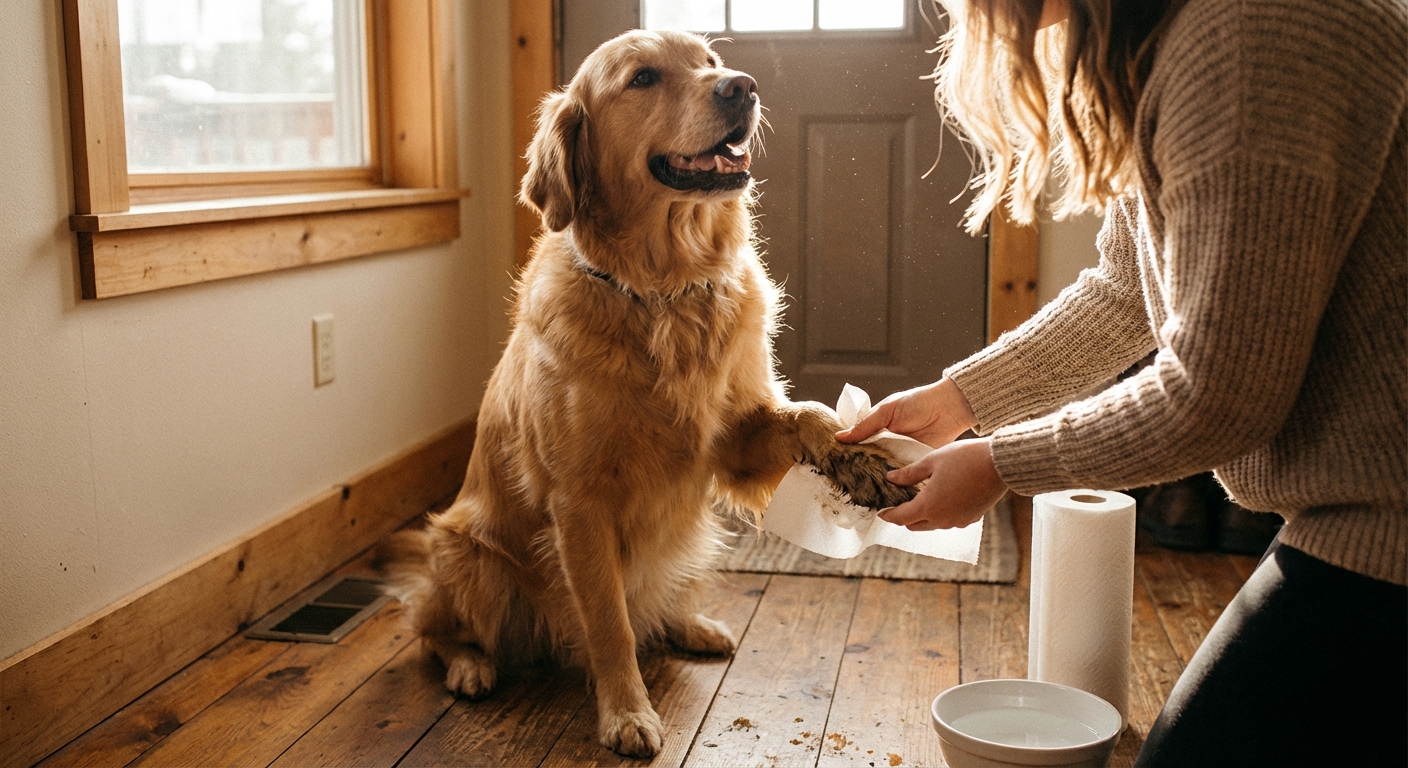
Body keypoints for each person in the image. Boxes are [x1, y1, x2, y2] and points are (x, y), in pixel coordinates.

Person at [836, 0, 1407, 764]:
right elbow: (1128, 289)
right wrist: (962, 402)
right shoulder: (1171, 39)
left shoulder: (1247, 42)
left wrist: (1002, 464)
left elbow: (1222, 395)